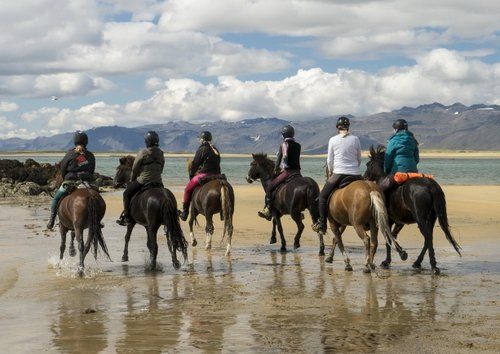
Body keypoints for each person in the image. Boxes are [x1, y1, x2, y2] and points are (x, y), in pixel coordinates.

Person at [312, 117, 362, 233]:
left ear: (337, 128)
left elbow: (330, 160)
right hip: (355, 174)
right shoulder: (355, 139)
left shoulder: (333, 140)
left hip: (339, 173)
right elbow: (359, 159)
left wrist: (330, 172)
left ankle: (322, 225)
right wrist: (354, 169)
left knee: (323, 197)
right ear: (348, 127)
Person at [47, 131, 96, 229]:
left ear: (75, 142)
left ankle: (51, 220)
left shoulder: (70, 153)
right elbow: (92, 169)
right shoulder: (90, 155)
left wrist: (66, 178)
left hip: (71, 181)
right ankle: (98, 221)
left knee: (56, 198)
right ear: (86, 142)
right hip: (87, 182)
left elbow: (63, 168)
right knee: (95, 196)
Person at [116, 131, 165, 226]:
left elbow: (134, 169)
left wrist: (132, 180)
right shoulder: (161, 153)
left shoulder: (142, 153)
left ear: (147, 141)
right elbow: (161, 169)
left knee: (126, 193)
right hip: (158, 181)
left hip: (143, 181)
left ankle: (127, 217)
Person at [258, 124, 301, 221]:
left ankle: (268, 210)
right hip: (298, 172)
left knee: (269, 188)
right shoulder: (298, 145)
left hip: (288, 172)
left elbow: (278, 160)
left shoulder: (283, 145)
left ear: (284, 135)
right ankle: (299, 210)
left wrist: (275, 170)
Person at [179, 131, 221, 221]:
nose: (199, 140)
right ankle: (222, 213)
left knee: (187, 190)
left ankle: (185, 213)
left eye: (200, 139)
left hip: (205, 174)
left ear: (202, 139)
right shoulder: (216, 149)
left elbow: (195, 165)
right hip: (218, 175)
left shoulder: (202, 149)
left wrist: (191, 176)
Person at [379, 119, 420, 192]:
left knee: (381, 190)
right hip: (413, 172)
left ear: (396, 129)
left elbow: (388, 159)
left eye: (394, 129)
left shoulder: (393, 141)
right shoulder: (413, 140)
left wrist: (386, 171)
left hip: (397, 172)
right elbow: (416, 159)